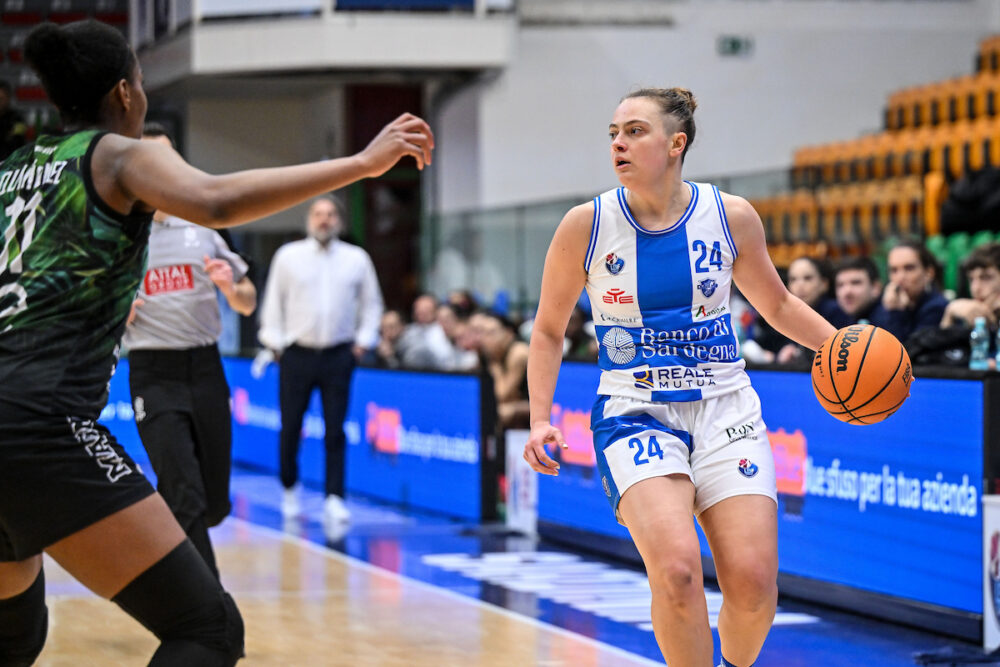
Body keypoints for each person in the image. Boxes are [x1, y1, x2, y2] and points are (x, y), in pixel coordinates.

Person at [0, 18, 432, 667]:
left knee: (16, 635)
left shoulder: (13, 170)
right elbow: (218, 200)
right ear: (124, 93)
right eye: (141, 83)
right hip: (41, 420)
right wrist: (363, 163)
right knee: (208, 627)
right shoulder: (119, 152)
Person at [522, 88, 835, 667]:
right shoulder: (586, 225)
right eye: (613, 132)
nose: (618, 142)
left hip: (726, 409)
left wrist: (840, 347)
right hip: (635, 412)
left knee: (754, 586)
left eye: (635, 131)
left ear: (676, 143)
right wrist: (540, 417)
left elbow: (782, 306)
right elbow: (547, 330)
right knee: (677, 573)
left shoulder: (731, 216)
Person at [121, 123, 257, 580]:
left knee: (213, 503)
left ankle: (172, 558)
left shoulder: (202, 226)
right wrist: (111, 312)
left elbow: (247, 298)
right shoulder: (118, 236)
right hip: (152, 372)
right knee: (184, 496)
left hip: (204, 367)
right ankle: (211, 609)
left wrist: (230, 287)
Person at [258, 196, 385, 529]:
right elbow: (274, 303)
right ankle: (289, 488)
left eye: (330, 214)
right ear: (309, 219)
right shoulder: (288, 257)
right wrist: (275, 342)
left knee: (335, 429)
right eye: (318, 214)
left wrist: (363, 342)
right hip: (296, 353)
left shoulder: (356, 259)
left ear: (339, 221)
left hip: (338, 354)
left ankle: (334, 497)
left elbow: (372, 305)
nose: (324, 220)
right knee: (290, 425)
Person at [749, 256, 837, 365]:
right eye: (793, 279)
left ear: (824, 284)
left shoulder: (835, 311)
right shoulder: (782, 315)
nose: (800, 285)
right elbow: (761, 346)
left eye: (808, 278)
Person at [881, 238, 949, 342]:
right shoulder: (898, 304)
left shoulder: (936, 308)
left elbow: (905, 353)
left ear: (929, 273)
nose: (900, 277)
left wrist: (896, 313)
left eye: (909, 268)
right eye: (894, 270)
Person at [830, 256, 888, 329]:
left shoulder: (889, 320)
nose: (847, 292)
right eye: (840, 285)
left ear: (876, 288)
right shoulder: (839, 319)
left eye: (855, 283)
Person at [0, 80, 27, 160]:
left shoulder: (17, 119)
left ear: (8, 98)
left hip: (11, 162)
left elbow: (17, 142)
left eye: (1, 99)